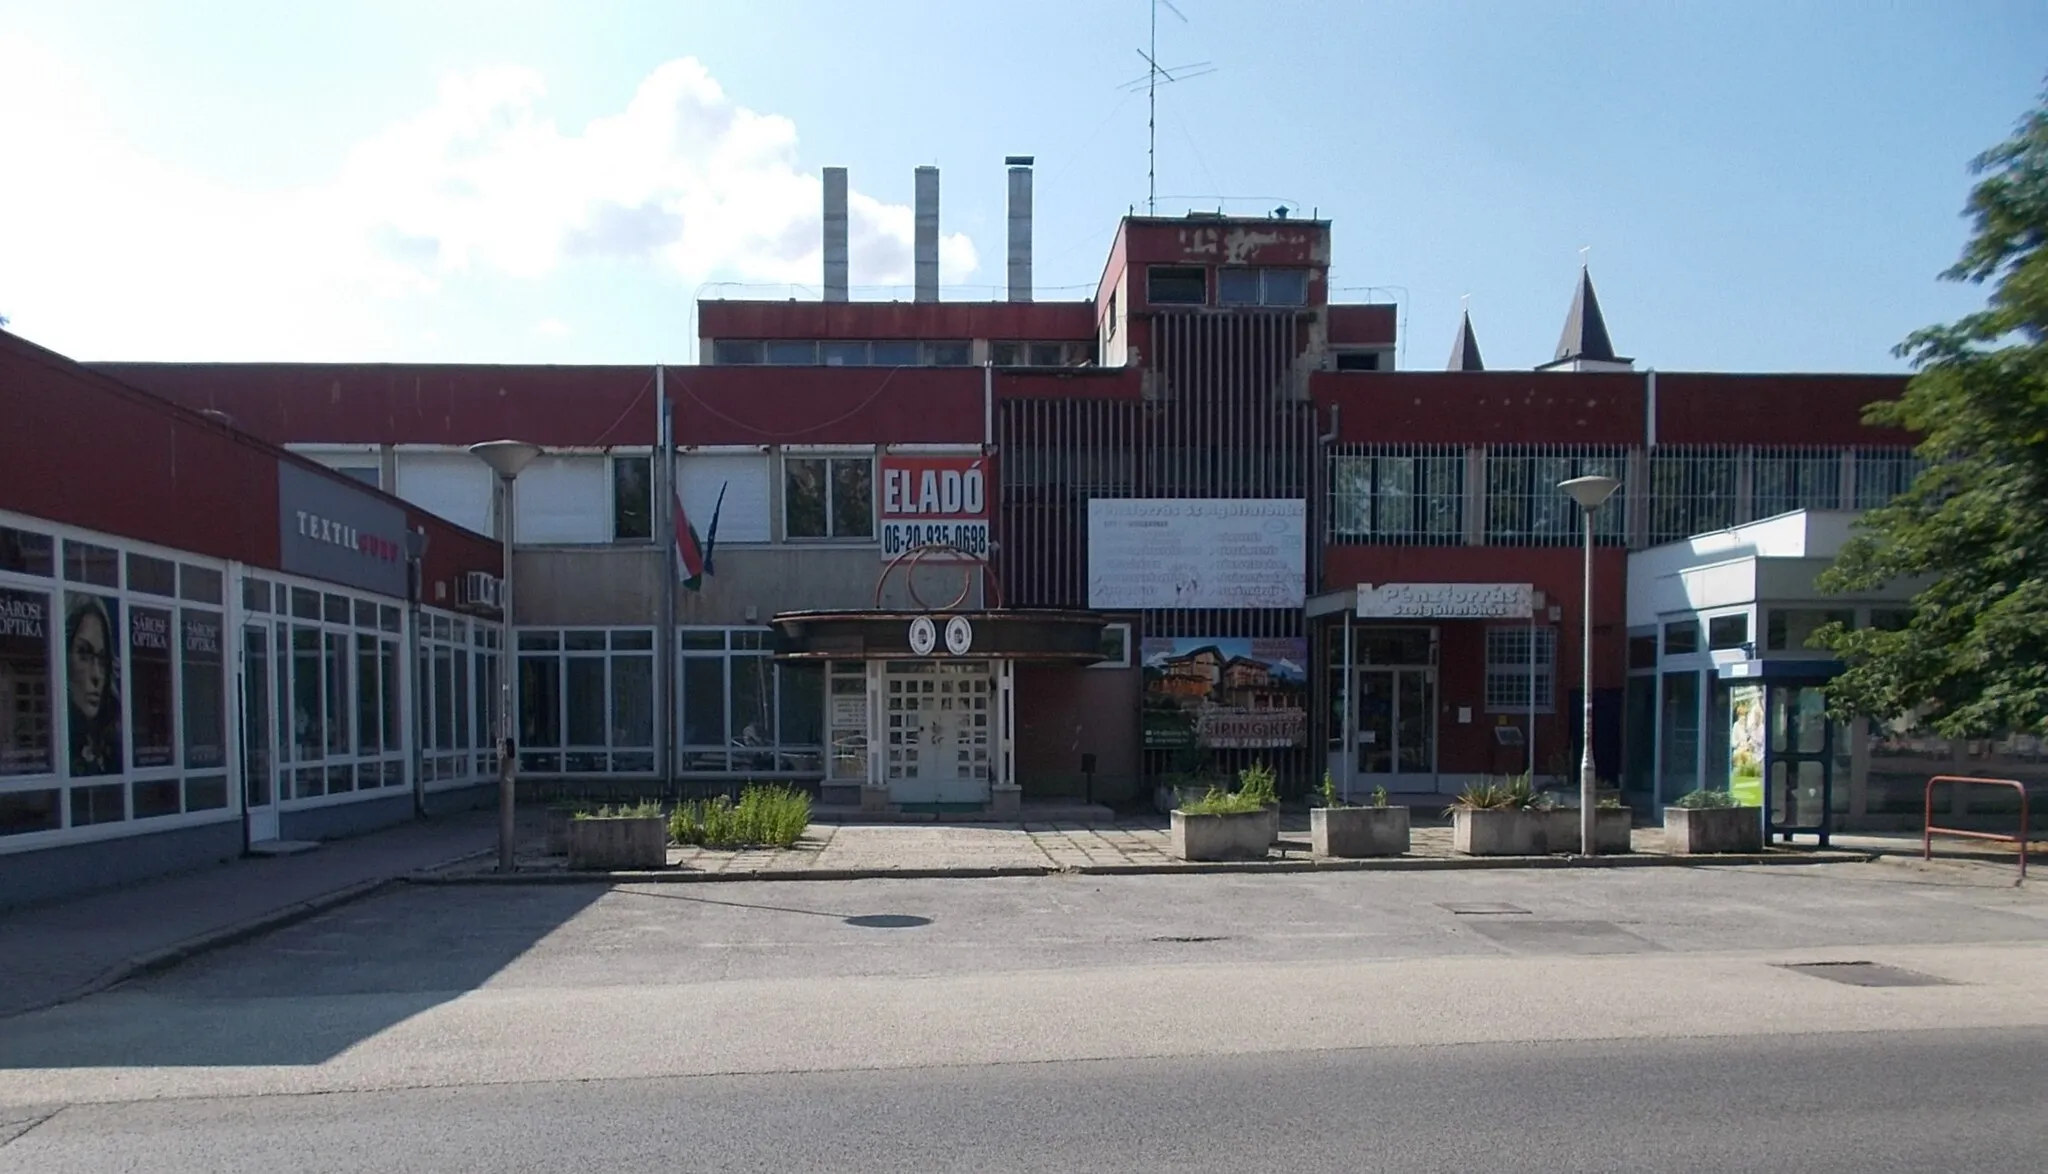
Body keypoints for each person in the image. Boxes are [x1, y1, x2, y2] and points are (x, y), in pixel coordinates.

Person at [67, 593, 122, 777]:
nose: (97, 675)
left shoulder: (111, 746)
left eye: (102, 659)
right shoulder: (59, 749)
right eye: (84, 653)